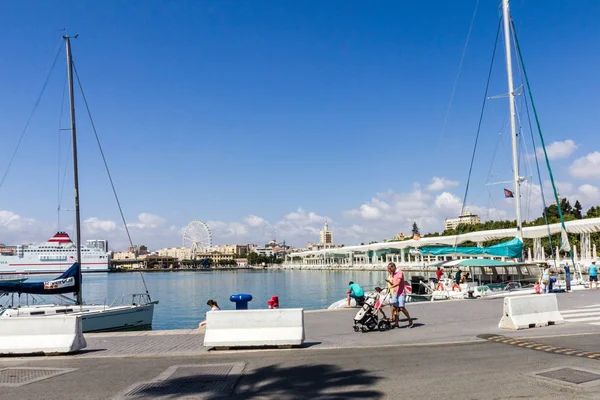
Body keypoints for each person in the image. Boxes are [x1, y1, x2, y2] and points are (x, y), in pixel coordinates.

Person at [387, 262, 414, 328]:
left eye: (390, 268)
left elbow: (398, 283)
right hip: (395, 292)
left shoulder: (399, 272)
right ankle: (396, 323)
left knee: (401, 308)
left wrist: (391, 287)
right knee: (395, 307)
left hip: (401, 293)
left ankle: (410, 320)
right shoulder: (392, 274)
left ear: (393, 267)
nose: (389, 270)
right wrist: (390, 282)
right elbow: (394, 283)